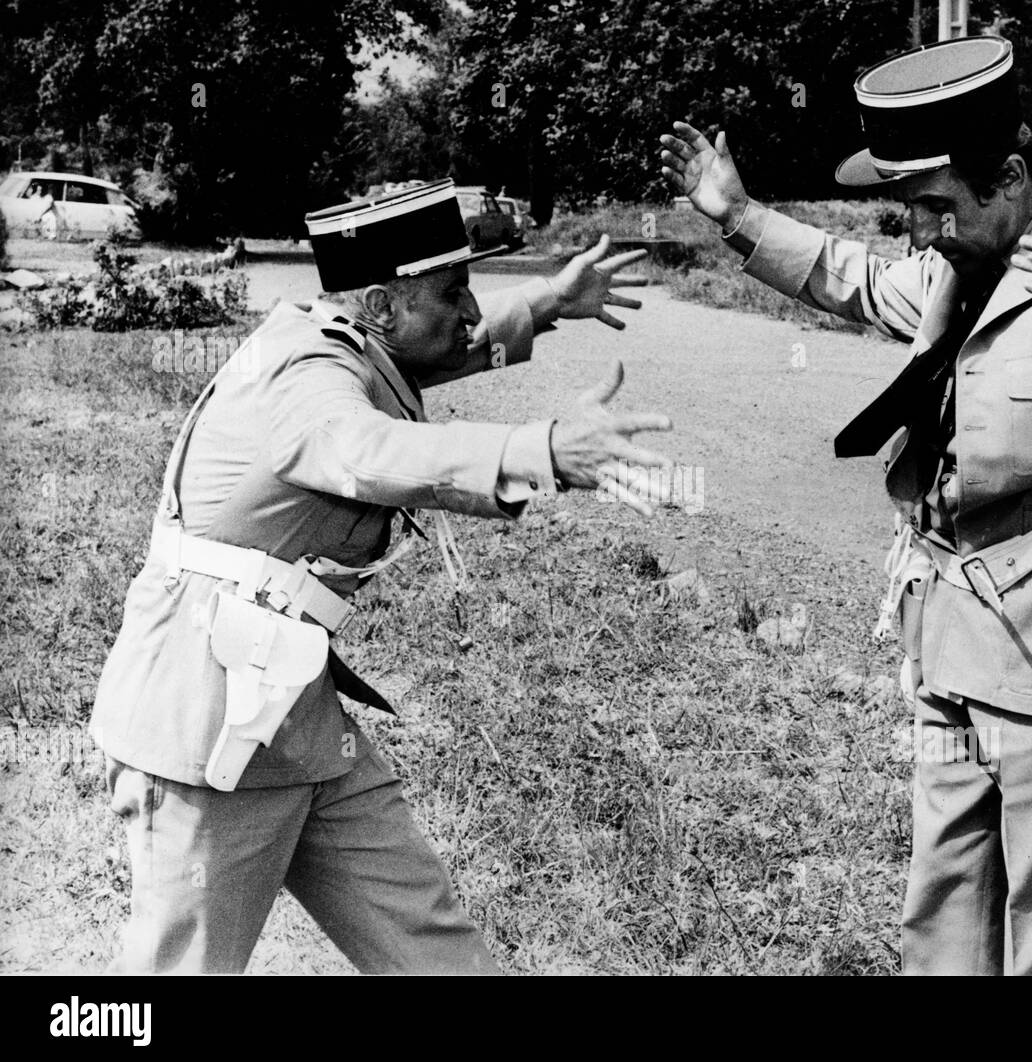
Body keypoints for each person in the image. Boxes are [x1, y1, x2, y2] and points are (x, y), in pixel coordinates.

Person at [660, 35, 1032, 975]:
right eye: (909, 207)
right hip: (947, 632)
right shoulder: (955, 257)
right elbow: (850, 278)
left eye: (933, 205)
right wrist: (737, 215)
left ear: (1014, 177)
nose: (916, 230)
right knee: (944, 904)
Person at [89, 178, 673, 974]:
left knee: (435, 953)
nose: (471, 311)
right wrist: (533, 450)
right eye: (453, 292)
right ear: (377, 305)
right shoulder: (305, 376)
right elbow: (361, 448)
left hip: (293, 721)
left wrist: (545, 301)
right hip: (205, 730)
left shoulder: (348, 340)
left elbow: (428, 358)